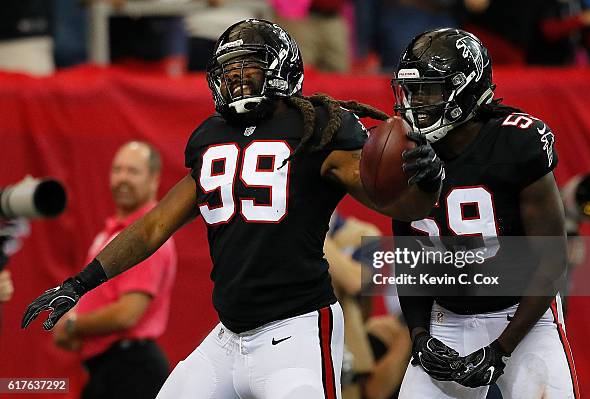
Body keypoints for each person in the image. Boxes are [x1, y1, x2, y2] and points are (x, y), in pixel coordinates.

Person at [22, 19, 443, 399]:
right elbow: (153, 226)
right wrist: (80, 283)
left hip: (294, 330)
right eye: (231, 71)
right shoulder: (212, 136)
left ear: (281, 71)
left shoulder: (316, 127)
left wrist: (427, 180)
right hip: (228, 335)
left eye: (250, 69)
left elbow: (391, 200)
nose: (238, 80)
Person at [390, 28, 578, 398]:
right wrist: (419, 335)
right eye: (412, 91)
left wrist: (502, 347)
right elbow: (410, 260)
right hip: (447, 318)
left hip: (523, 315)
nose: (417, 103)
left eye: (430, 90)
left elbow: (552, 260)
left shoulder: (516, 141)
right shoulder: (400, 150)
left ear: (466, 89)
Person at [51, 141, 177, 399]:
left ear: (154, 179)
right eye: (117, 170)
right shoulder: (112, 235)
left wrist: (73, 325)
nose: (122, 178)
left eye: (132, 171)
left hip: (131, 370)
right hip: (108, 368)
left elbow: (127, 314)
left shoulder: (146, 238)